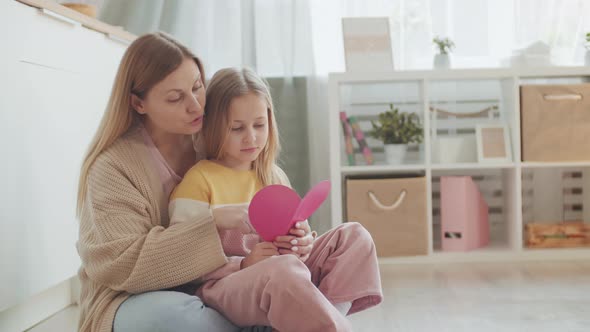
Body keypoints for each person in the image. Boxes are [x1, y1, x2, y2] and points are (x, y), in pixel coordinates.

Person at [75, 32, 314, 332]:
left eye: (198, 87)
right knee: (171, 315)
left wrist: (294, 237)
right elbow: (125, 266)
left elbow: (266, 194)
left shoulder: (217, 141)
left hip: (229, 284)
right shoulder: (113, 167)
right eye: (176, 97)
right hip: (138, 298)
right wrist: (212, 223)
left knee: (327, 264)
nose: (195, 105)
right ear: (138, 103)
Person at [168, 67, 383, 332]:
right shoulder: (198, 180)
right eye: (237, 128)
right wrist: (244, 263)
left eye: (260, 125)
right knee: (283, 271)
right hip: (228, 284)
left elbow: (293, 235)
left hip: (286, 275)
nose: (251, 137)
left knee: (355, 236)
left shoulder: (273, 176)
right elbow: (180, 257)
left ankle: (326, 316)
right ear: (213, 126)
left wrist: (303, 241)